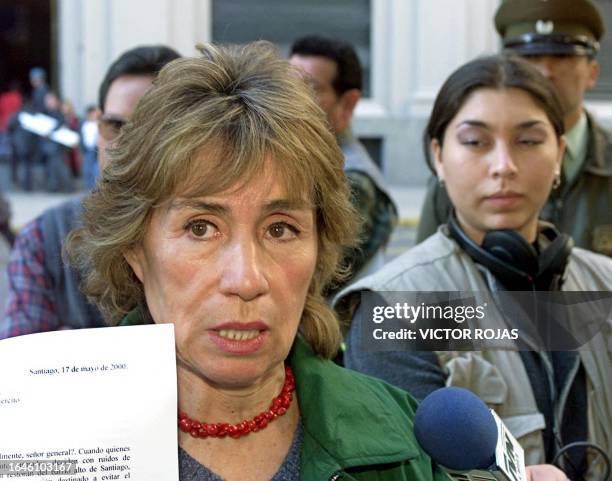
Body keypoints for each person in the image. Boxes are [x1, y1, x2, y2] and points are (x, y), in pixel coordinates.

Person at [66, 41, 449, 481]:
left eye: (280, 229)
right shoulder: (48, 438)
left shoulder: (405, 440)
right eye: (201, 228)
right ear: (135, 247)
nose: (246, 279)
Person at [336, 55, 611, 481]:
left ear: (559, 152)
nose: (504, 166)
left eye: (528, 140)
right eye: (475, 142)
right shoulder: (399, 306)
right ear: (438, 156)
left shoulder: (604, 285)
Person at [0, 45, 180, 338]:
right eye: (116, 126)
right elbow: (19, 373)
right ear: (98, 125)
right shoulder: (44, 239)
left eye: (153, 130)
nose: (129, 146)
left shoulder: (223, 242)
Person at [416, 0, 612, 257]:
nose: (545, 71)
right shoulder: (460, 173)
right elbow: (426, 278)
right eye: (529, 57)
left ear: (592, 73)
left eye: (562, 56)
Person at [290, 35, 398, 292]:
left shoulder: (353, 182)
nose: (291, 98)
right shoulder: (302, 161)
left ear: (348, 103)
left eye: (309, 88)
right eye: (287, 84)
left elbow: (316, 284)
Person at [41, 92, 72, 193]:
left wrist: (51, 132)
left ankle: (67, 187)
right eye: (46, 100)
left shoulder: (58, 112)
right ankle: (54, 187)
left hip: (57, 144)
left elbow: (61, 125)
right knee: (52, 165)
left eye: (50, 100)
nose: (47, 102)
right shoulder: (46, 112)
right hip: (49, 144)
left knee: (59, 165)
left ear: (55, 101)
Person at [80, 105, 99, 189]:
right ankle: (88, 188)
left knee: (95, 170)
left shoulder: (98, 124)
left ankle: (95, 188)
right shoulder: (84, 124)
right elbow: (81, 137)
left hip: (96, 150)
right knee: (87, 170)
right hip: (87, 150)